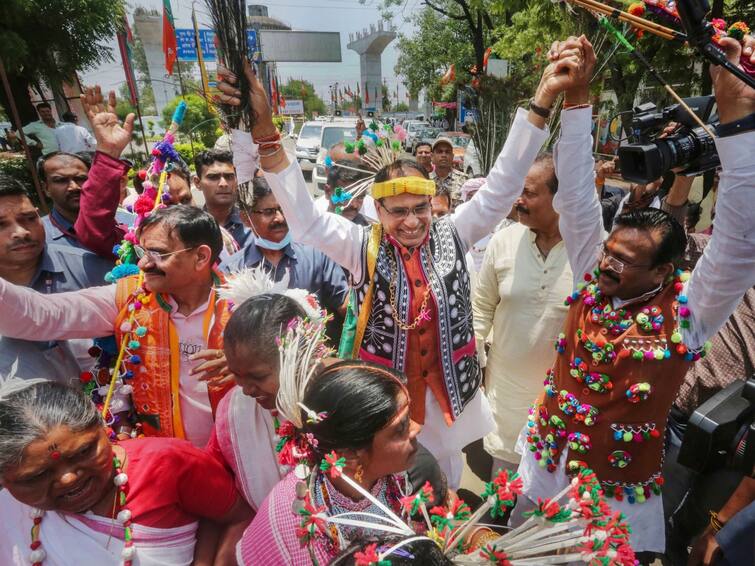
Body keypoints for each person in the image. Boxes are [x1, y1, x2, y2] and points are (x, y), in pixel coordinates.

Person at [216, 54, 557, 488]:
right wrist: (265, 131)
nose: (412, 222)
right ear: (379, 210)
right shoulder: (362, 246)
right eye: (398, 212)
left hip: (448, 400)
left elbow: (503, 185)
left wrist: (541, 104)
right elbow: (306, 220)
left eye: (420, 210)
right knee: (393, 489)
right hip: (387, 406)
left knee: (445, 488)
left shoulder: (456, 232)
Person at [515, 34, 755, 558]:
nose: (607, 263)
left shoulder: (687, 316)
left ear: (664, 273)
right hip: (540, 479)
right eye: (608, 252)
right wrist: (578, 102)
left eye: (625, 261)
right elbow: (577, 197)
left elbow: (739, 243)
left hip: (613, 512)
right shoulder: (591, 277)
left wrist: (737, 121)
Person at [0, 205, 236, 447]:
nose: (143, 264)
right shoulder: (131, 298)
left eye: (158, 254)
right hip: (167, 459)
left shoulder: (244, 304)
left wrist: (248, 361)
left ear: (201, 257)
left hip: (239, 453)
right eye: (142, 251)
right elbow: (43, 315)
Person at [0, 380, 251, 565]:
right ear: (5, 481)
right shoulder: (8, 516)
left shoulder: (167, 464)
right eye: (37, 476)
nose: (68, 478)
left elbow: (237, 517)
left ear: (101, 425)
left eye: (83, 452)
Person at [236, 360, 422, 565]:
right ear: (350, 454)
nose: (416, 428)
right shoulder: (292, 524)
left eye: (409, 415)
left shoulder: (403, 475)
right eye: (401, 427)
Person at [473, 153, 573, 474]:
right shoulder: (503, 242)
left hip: (562, 401)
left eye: (529, 192)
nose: (518, 200)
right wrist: (471, 369)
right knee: (500, 494)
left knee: (546, 502)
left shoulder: (591, 250)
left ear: (562, 197)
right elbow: (480, 307)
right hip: (506, 395)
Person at [0, 174, 114, 382]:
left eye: (29, 219)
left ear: (39, 215)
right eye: (1, 225)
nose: (20, 232)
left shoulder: (93, 268)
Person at [220, 177, 349, 344]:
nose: (280, 218)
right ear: (246, 218)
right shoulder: (232, 270)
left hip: (309, 361)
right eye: (269, 212)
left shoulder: (316, 255)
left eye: (283, 209)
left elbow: (345, 305)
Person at [39, 87, 134, 261]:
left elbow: (94, 227)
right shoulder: (37, 237)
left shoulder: (126, 224)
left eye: (81, 178)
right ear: (46, 188)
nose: (74, 187)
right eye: (60, 180)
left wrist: (109, 152)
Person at [193, 149, 250, 248]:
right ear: (198, 183)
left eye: (229, 177)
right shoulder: (191, 229)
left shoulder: (254, 224)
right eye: (213, 177)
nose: (223, 184)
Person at [429, 137, 468, 206]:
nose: (444, 155)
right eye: (439, 152)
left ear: (452, 156)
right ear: (432, 156)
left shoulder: (464, 179)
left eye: (447, 152)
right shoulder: (425, 179)